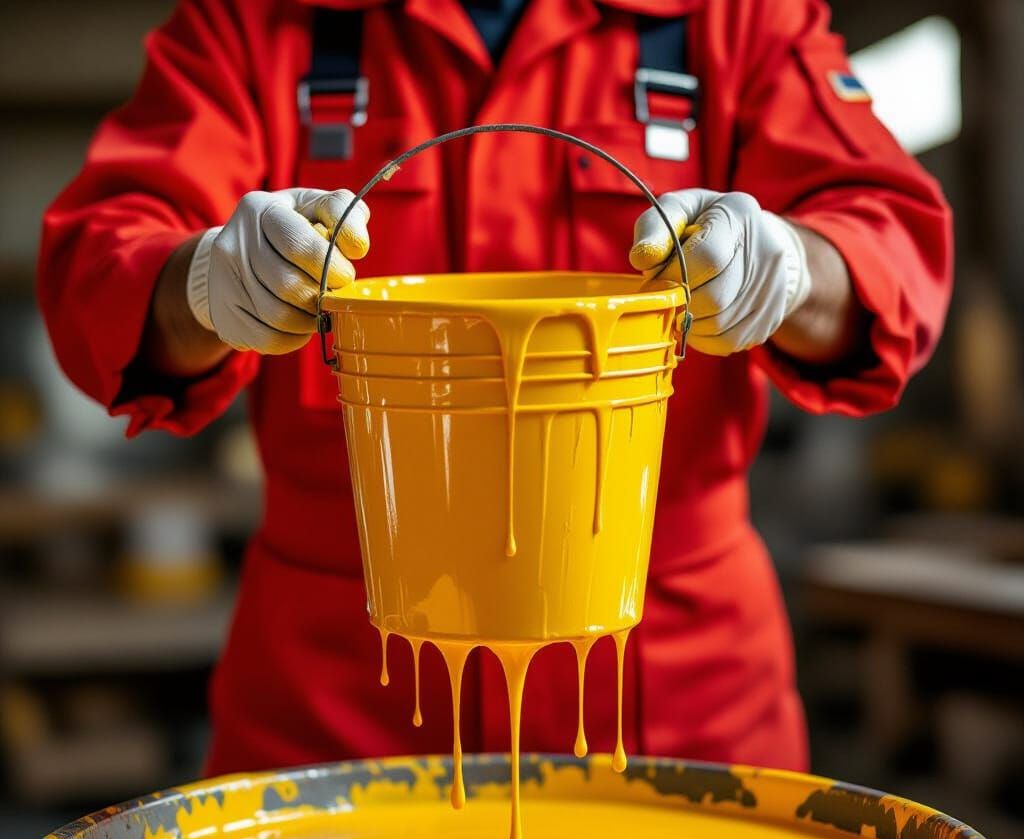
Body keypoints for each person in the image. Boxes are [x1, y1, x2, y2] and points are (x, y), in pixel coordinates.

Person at [38, 0, 952, 776]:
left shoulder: (729, 18)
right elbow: (96, 261)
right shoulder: (257, 23)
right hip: (340, 701)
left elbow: (893, 247)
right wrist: (200, 283)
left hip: (663, 695)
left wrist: (792, 268)